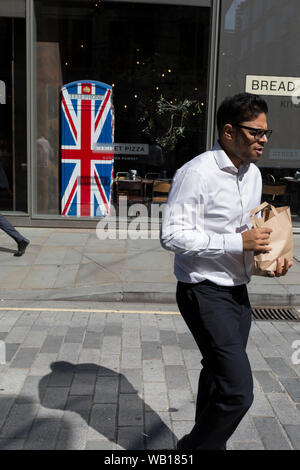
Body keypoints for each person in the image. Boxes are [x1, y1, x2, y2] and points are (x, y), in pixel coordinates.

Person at [160, 92, 293, 450]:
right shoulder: (196, 173)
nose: (264, 139)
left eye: (267, 132)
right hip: (203, 290)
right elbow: (171, 235)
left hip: (238, 290)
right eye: (256, 132)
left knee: (218, 377)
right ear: (229, 131)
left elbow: (245, 229)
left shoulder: (252, 175)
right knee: (238, 393)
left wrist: (270, 257)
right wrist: (239, 244)